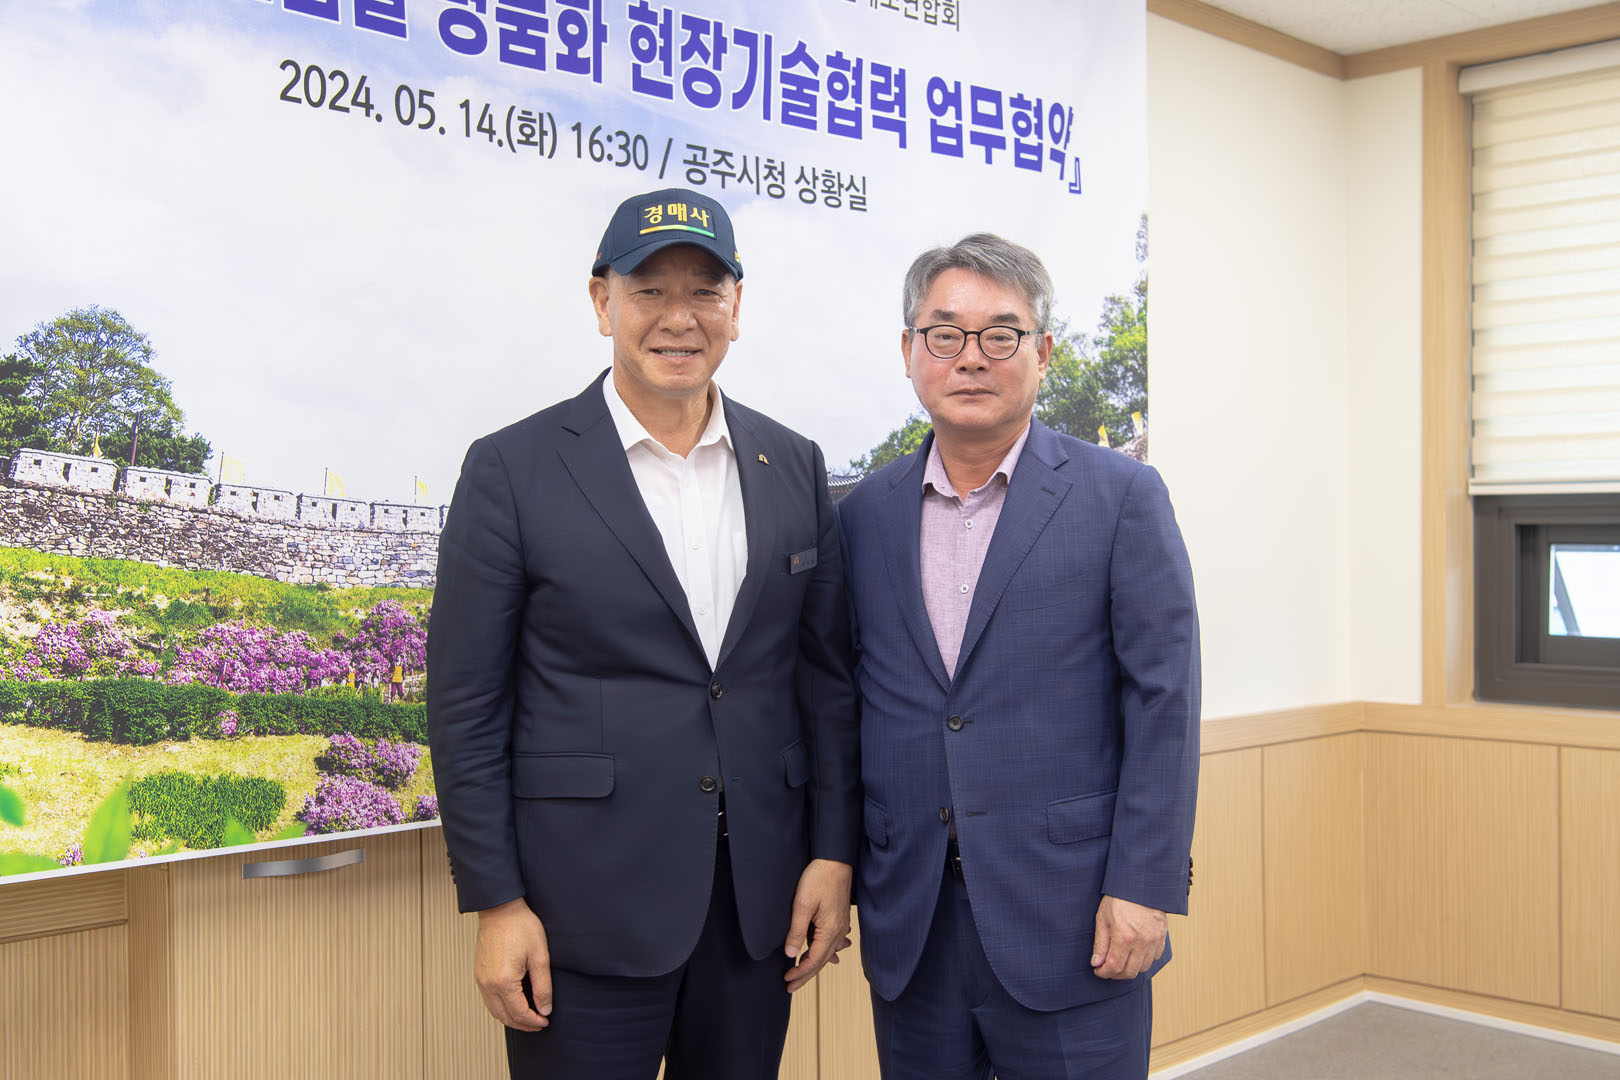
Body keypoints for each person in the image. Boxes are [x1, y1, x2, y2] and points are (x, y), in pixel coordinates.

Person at [427, 187, 860, 1080]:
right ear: (603, 302)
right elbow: (467, 705)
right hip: (580, 912)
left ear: (736, 306)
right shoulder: (512, 468)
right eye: (649, 290)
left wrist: (831, 852)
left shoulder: (794, 463)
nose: (679, 318)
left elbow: (823, 682)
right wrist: (496, 901)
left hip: (756, 908)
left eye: (704, 291)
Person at [836, 233, 1200, 1079]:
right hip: (913, 920)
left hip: (1075, 916)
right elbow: (846, 702)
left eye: (1001, 335)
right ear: (908, 350)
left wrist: (1145, 884)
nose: (971, 358)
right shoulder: (862, 516)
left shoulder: (1121, 496)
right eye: (945, 334)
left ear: (1043, 352)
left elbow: (1165, 702)